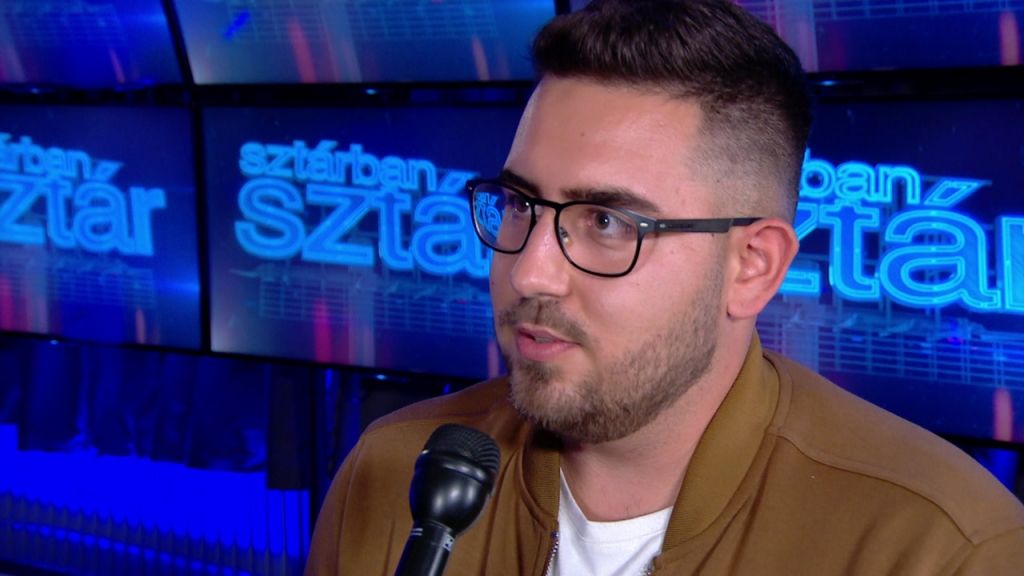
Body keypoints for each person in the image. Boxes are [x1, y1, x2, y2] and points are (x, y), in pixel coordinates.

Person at [305, 0, 1024, 574]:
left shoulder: (943, 548)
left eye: (607, 222)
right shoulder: (393, 469)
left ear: (753, 267)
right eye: (520, 204)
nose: (529, 272)